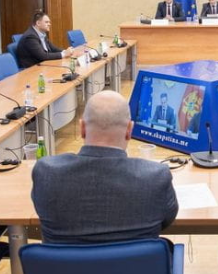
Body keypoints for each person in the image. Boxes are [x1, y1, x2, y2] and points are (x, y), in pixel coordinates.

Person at [31, 91, 178, 244]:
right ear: (129, 130)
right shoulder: (156, 178)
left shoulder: (46, 173)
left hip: (64, 261)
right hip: (135, 261)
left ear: (82, 128)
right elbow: (167, 220)